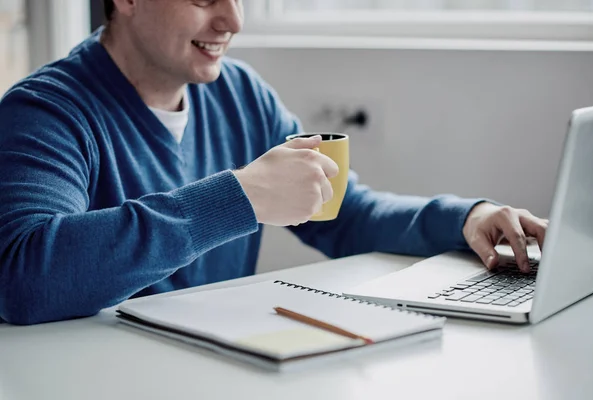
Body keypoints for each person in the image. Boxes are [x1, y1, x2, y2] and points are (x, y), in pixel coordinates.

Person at [0, 0, 548, 326]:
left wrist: (465, 218)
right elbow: (23, 278)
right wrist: (239, 198)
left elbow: (344, 210)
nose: (232, 20)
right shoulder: (45, 112)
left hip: (222, 366)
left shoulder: (242, 94)